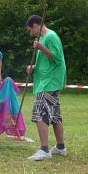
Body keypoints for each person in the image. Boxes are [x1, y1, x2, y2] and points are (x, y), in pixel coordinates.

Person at [25, 14, 67, 161]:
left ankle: (44, 150)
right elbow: (47, 61)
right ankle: (61, 147)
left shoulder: (50, 37)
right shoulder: (43, 39)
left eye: (31, 30)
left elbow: (57, 58)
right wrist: (34, 67)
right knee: (55, 115)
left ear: (36, 25)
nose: (31, 33)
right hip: (46, 80)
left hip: (50, 82)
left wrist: (41, 47)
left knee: (39, 114)